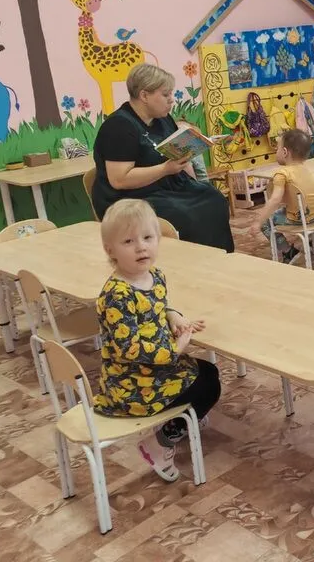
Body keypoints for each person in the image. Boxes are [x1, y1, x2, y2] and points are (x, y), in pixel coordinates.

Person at [94, 198, 221, 482]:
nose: (141, 247)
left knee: (210, 373)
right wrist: (175, 349)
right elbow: (130, 349)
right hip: (131, 383)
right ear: (110, 250)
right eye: (129, 241)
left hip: (154, 370)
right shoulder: (117, 294)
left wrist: (174, 317)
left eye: (148, 238)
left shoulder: (155, 276)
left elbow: (158, 306)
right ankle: (159, 442)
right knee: (206, 386)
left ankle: (180, 421)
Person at [91, 64, 234, 252]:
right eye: (165, 95)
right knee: (187, 215)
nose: (171, 100)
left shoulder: (163, 119)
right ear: (144, 96)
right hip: (130, 198)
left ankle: (218, 258)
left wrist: (194, 183)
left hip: (166, 188)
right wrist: (165, 169)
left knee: (214, 198)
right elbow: (119, 180)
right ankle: (191, 263)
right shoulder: (119, 127)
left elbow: (181, 157)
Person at [250, 129, 314, 264]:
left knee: (266, 223)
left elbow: (275, 199)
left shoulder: (282, 173)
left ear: (285, 152)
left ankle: (288, 251)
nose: (276, 151)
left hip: (302, 218)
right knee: (312, 205)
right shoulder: (308, 169)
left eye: (277, 148)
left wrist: (258, 222)